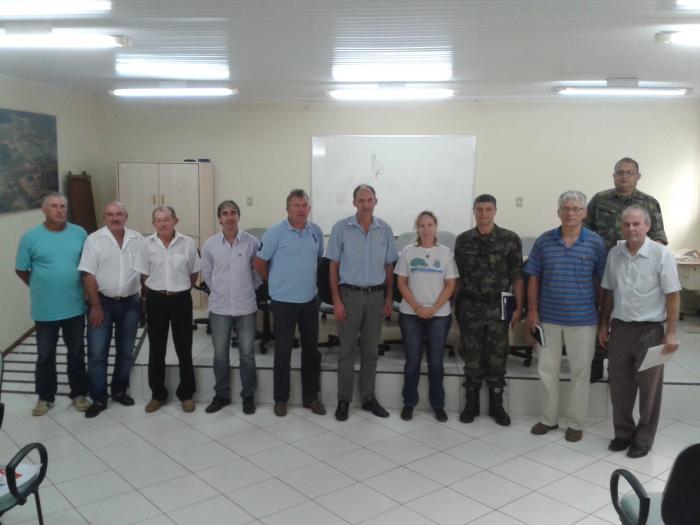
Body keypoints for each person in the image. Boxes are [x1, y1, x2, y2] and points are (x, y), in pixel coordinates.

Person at [598, 205, 680, 458]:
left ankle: (644, 438)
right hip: (620, 329)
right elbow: (609, 291)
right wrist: (604, 324)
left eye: (637, 224)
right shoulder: (615, 253)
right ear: (621, 227)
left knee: (649, 389)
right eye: (627, 224)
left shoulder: (660, 254)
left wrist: (671, 333)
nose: (631, 229)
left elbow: (673, 295)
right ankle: (623, 433)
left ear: (646, 226)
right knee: (620, 386)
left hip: (651, 332)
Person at [524, 191, 606, 442]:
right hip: (548, 319)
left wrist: (603, 316)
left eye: (576, 208)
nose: (570, 213)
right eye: (566, 208)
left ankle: (576, 422)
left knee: (580, 373)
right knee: (547, 370)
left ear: (585, 213)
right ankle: (548, 419)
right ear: (558, 212)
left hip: (583, 320)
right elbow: (533, 277)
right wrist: (533, 311)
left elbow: (604, 282)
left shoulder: (595, 243)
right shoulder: (544, 241)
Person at [585, 157, 668, 382]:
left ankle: (620, 364)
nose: (624, 176)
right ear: (613, 176)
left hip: (635, 272)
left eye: (629, 173)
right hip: (601, 267)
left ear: (637, 176)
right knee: (598, 312)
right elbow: (585, 233)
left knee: (624, 318)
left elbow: (659, 237)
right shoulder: (599, 200)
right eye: (620, 172)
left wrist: (644, 259)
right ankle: (595, 360)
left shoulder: (649, 203)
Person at [327, 184, 398, 421]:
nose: (366, 204)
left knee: (370, 351)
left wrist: (389, 297)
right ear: (354, 202)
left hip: (377, 297)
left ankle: (368, 398)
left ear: (376, 201)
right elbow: (333, 265)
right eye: (361, 200)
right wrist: (336, 300)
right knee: (346, 351)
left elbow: (389, 266)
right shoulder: (341, 228)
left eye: (370, 199)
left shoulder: (385, 229)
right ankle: (343, 400)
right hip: (349, 296)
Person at [15, 192, 89, 416]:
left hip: (74, 306)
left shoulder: (80, 233)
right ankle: (45, 397)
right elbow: (21, 269)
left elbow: (88, 267)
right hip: (45, 309)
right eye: (54, 206)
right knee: (45, 355)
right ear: (44, 210)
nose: (59, 210)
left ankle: (79, 394)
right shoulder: (31, 237)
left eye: (63, 206)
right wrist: (41, 287)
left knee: (76, 352)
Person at [254, 189, 325, 417]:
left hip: (309, 300)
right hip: (283, 302)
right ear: (287, 209)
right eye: (296, 205)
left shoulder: (316, 232)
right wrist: (274, 282)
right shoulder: (275, 232)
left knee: (311, 351)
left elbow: (318, 259)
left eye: (304, 205)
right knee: (283, 351)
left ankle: (311, 397)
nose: (301, 209)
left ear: (309, 208)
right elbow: (259, 263)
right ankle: (281, 399)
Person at [454, 194, 524, 426]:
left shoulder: (509, 239)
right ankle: (471, 402)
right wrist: (455, 306)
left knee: (497, 357)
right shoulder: (463, 240)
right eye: (479, 209)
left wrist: (518, 307)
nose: (483, 214)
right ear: (474, 211)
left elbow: (517, 276)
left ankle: (496, 404)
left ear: (495, 211)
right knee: (471, 358)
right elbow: (458, 277)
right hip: (470, 306)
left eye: (488, 209)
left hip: (498, 308)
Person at [78, 201, 143, 418]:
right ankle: (98, 397)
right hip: (102, 303)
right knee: (97, 353)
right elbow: (88, 275)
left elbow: (145, 272)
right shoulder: (94, 240)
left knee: (125, 352)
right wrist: (95, 306)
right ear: (104, 217)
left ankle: (119, 390)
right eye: (110, 214)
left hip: (131, 303)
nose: (115, 218)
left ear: (126, 216)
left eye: (119, 214)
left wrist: (145, 302)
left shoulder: (137, 239)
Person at [134, 206, 200, 413]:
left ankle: (186, 394)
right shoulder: (146, 245)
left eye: (167, 219)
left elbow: (193, 274)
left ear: (175, 220)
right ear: (153, 223)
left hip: (181, 299)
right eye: (158, 220)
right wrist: (151, 295)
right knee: (156, 348)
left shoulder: (188, 243)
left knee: (184, 348)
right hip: (156, 299)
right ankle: (158, 394)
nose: (163, 223)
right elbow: (144, 275)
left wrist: (179, 289)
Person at [396, 211, 457, 422]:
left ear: (436, 227)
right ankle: (409, 403)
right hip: (411, 314)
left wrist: (433, 308)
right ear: (417, 228)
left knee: (435, 362)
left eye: (430, 224)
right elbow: (401, 283)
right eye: (421, 225)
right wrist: (417, 307)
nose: (426, 229)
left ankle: (438, 404)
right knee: (412, 361)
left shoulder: (445, 252)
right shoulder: (408, 251)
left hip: (439, 315)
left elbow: (450, 285)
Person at [201, 200, 260, 415]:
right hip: (220, 308)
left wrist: (246, 289)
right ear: (219, 218)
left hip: (245, 306)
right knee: (220, 354)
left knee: (247, 354)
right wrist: (220, 290)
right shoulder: (210, 245)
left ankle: (248, 396)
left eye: (233, 213)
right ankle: (222, 395)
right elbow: (206, 273)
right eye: (225, 213)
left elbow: (258, 274)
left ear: (239, 216)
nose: (229, 217)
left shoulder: (252, 243)